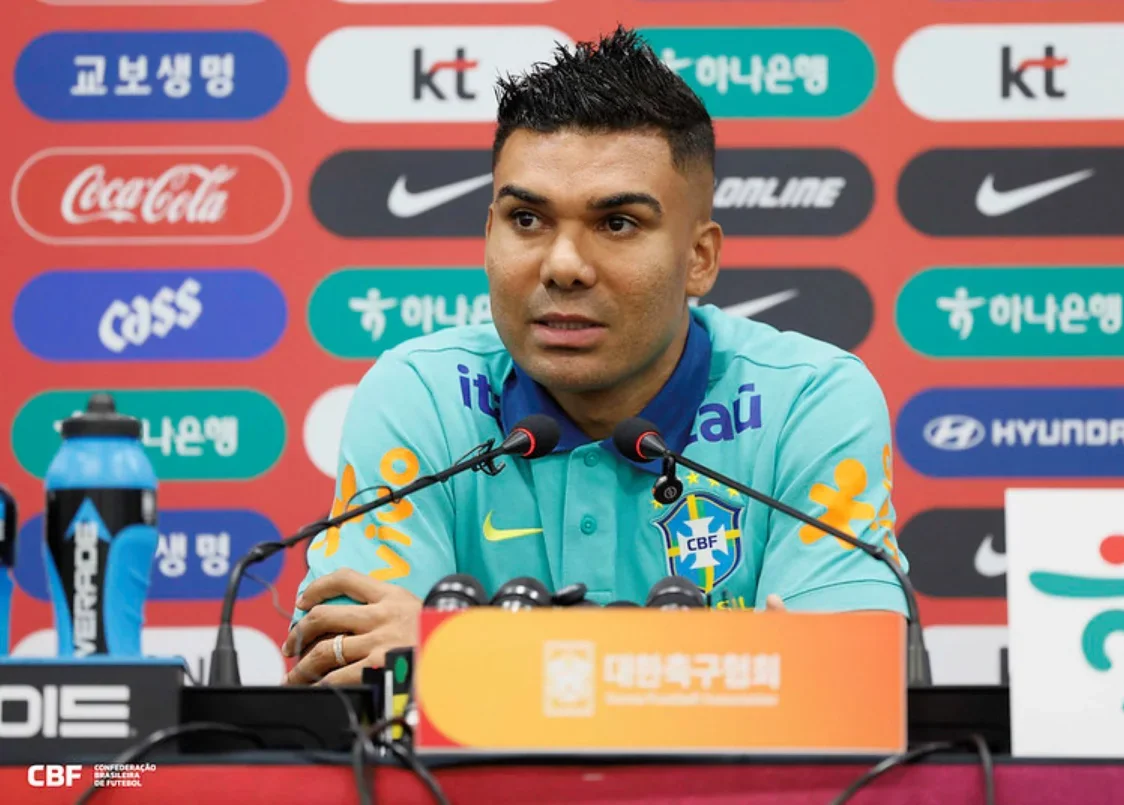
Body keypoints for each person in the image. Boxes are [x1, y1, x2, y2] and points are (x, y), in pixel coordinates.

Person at [283, 26, 908, 686]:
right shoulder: (421, 394)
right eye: (527, 219)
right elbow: (357, 670)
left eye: (617, 223)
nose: (563, 265)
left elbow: (844, 683)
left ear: (699, 258)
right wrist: (733, 666)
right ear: (489, 233)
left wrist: (458, 653)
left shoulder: (809, 401)